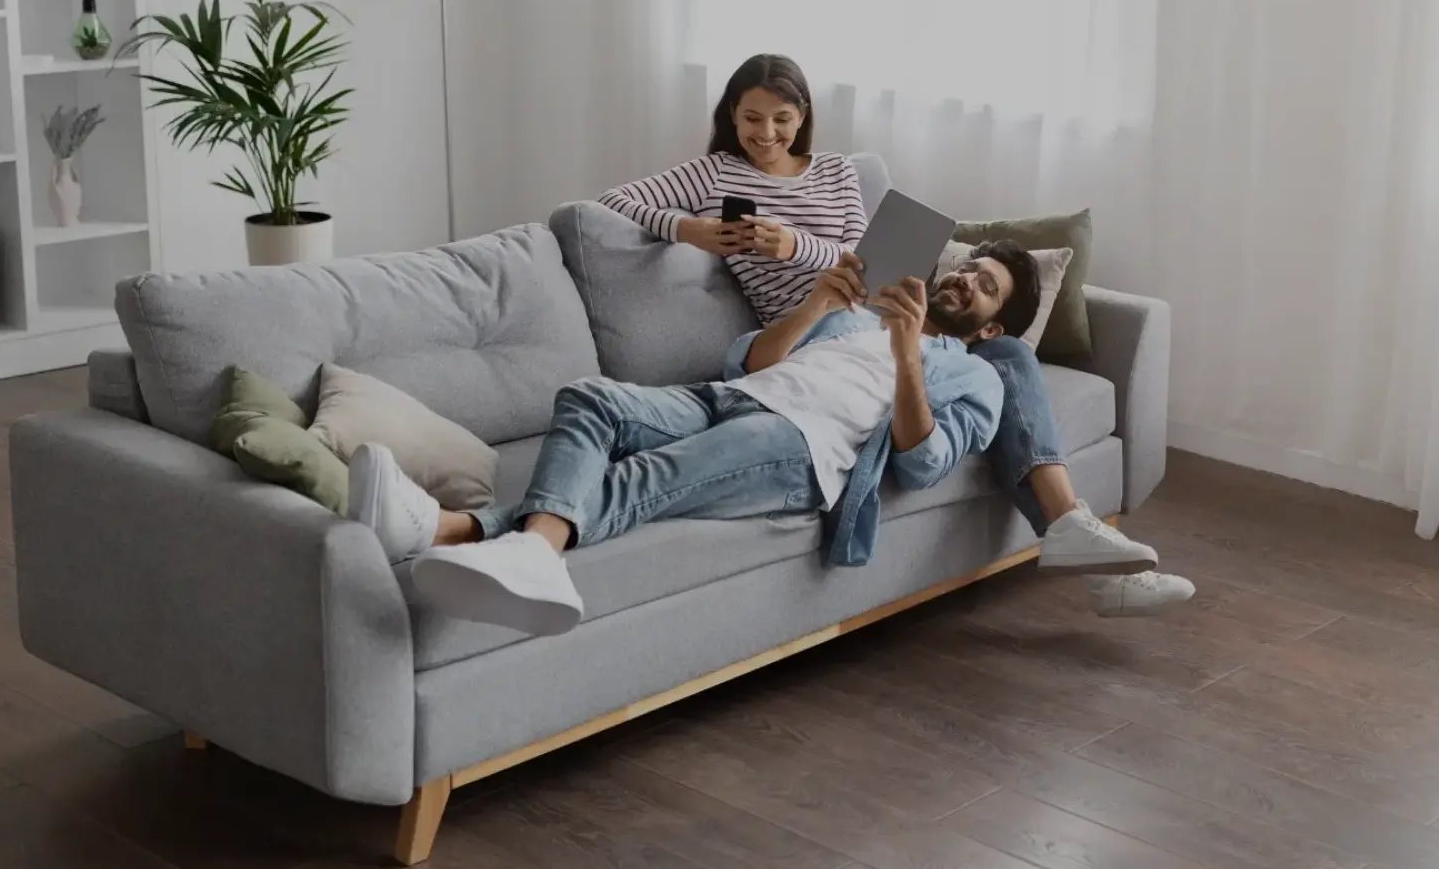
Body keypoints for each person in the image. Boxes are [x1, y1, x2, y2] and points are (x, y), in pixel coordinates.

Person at [598, 53, 1193, 613]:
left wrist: (793, 244)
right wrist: (691, 230)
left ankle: (1076, 537)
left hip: (868, 302)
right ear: (731, 115)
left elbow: (862, 259)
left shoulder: (836, 172)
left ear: (803, 117)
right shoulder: (714, 172)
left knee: (1004, 357)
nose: (767, 134)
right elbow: (609, 203)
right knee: (1008, 357)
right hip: (816, 332)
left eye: (782, 119)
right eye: (752, 118)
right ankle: (1074, 533)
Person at [353, 245, 1105, 634]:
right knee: (591, 398)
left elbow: (924, 462)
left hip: (799, 447)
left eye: (985, 287)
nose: (966, 280)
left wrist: (909, 354)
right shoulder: (856, 317)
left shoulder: (975, 377)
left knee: (650, 474)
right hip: (736, 397)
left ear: (995, 326)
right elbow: (748, 360)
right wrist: (816, 303)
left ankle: (458, 531)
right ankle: (516, 548)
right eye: (966, 267)